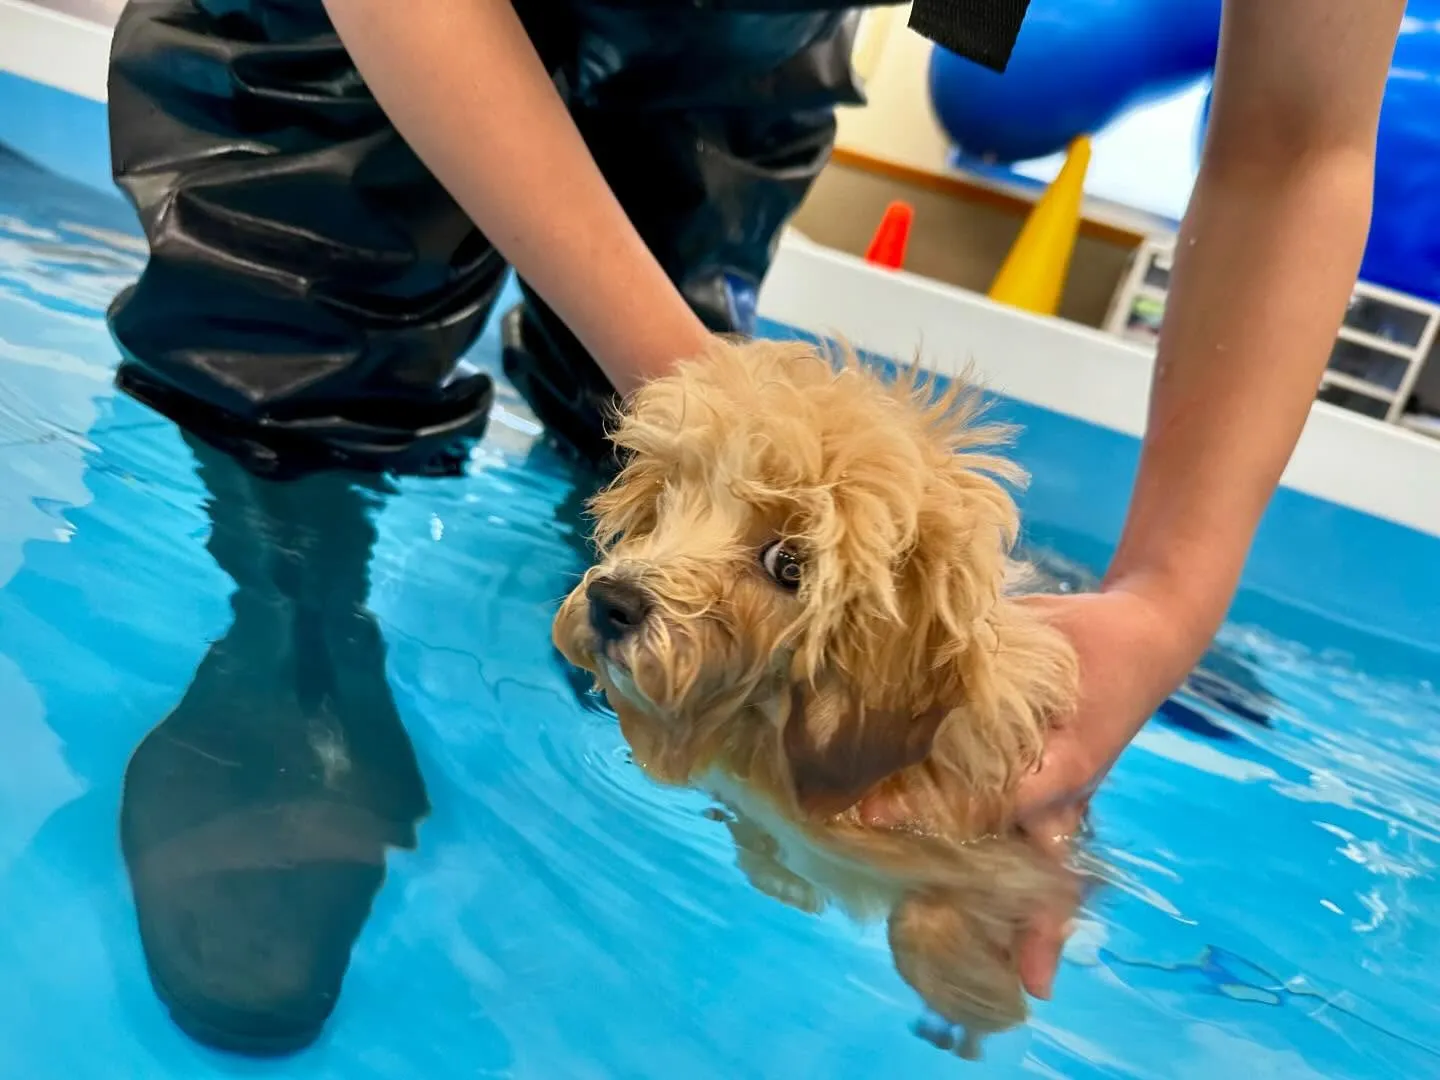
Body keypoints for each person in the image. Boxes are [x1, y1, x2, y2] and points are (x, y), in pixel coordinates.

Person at [103, 0, 1406, 1041]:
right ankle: (289, 636)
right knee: (284, 393)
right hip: (347, 34)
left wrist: (1170, 601)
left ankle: (643, 632)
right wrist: (695, 394)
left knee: (628, 447)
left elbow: (1303, 137)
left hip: (736, 43)